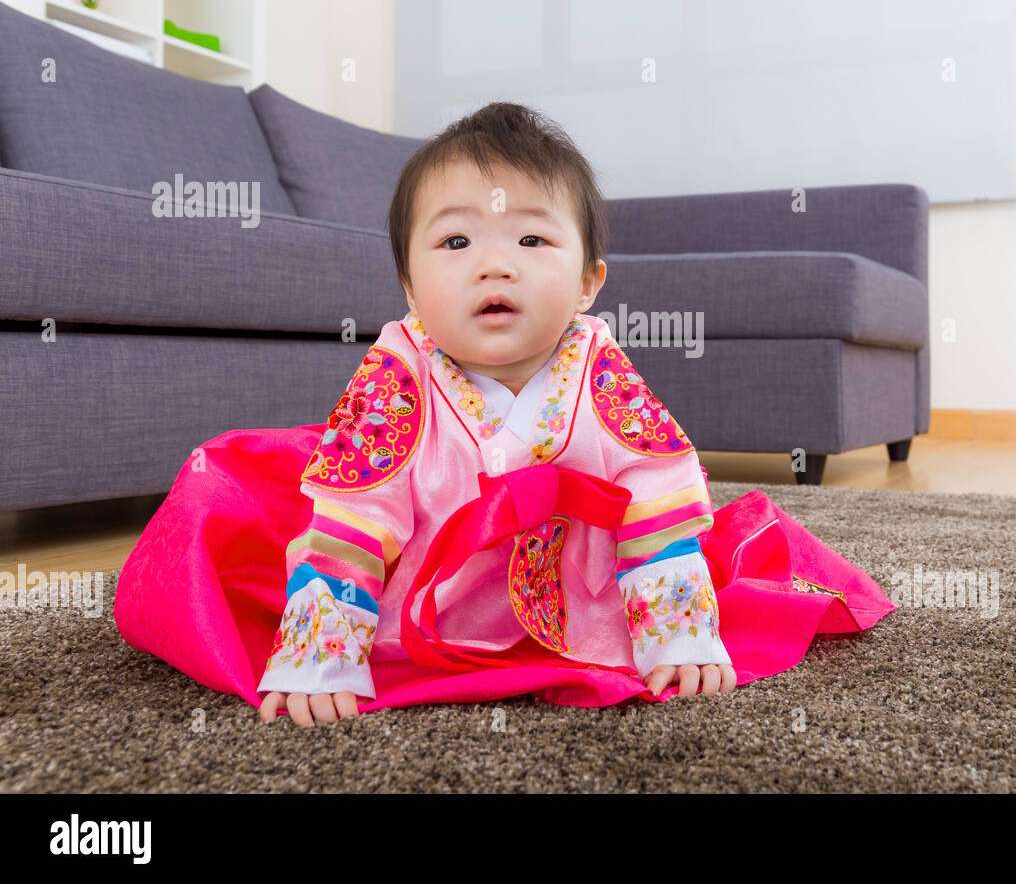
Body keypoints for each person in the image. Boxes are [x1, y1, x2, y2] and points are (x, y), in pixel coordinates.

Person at [114, 103, 897, 727]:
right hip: (427, 599)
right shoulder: (399, 372)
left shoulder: (597, 367)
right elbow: (358, 513)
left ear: (589, 280)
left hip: (578, 594)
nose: (495, 262)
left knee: (697, 555)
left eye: (530, 236)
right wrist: (324, 650)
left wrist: (677, 631)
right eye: (455, 240)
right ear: (410, 288)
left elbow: (654, 494)